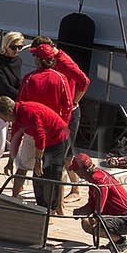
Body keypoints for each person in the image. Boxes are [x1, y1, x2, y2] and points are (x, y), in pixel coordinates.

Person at [32, 37, 90, 196]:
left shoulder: (63, 61)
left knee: (61, 157)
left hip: (69, 113)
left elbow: (84, 81)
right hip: (58, 113)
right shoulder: (53, 60)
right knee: (66, 157)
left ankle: (60, 201)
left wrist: (75, 101)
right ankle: (74, 188)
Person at [0, 96, 70, 212]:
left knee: (50, 176)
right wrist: (10, 162)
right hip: (46, 141)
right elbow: (16, 138)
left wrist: (38, 160)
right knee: (37, 177)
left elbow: (40, 136)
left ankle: (52, 209)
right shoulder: (17, 117)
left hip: (58, 139)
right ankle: (41, 208)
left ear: (9, 111)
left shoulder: (28, 112)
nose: (5, 121)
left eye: (4, 118)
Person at [68, 153, 127, 248]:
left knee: (88, 224)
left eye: (76, 170)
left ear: (83, 170)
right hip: (120, 217)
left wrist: (96, 215)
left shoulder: (98, 179)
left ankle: (119, 242)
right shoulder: (94, 179)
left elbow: (101, 198)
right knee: (86, 221)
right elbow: (92, 203)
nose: (75, 172)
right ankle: (116, 241)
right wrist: (81, 211)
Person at [0, 31, 26, 190]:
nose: (17, 50)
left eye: (20, 47)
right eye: (14, 47)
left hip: (15, 106)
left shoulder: (18, 61)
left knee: (19, 146)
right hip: (1, 106)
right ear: (6, 45)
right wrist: (22, 96)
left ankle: (18, 182)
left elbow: (17, 82)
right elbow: (3, 85)